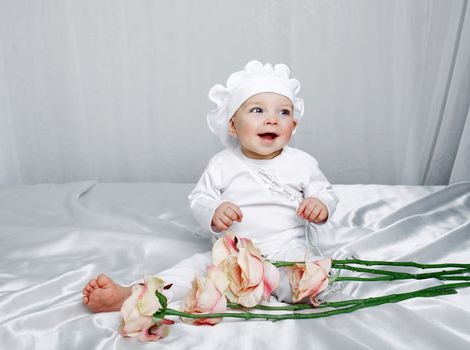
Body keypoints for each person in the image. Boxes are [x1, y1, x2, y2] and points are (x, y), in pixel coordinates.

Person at [82, 60, 338, 312]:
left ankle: (303, 291)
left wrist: (321, 204)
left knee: (301, 276)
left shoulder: (303, 163)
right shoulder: (222, 164)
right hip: (232, 254)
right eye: (257, 111)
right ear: (232, 125)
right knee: (191, 272)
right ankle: (135, 294)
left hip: (287, 247)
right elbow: (200, 197)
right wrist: (215, 211)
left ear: (293, 126)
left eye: (283, 112)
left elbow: (325, 193)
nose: (272, 119)